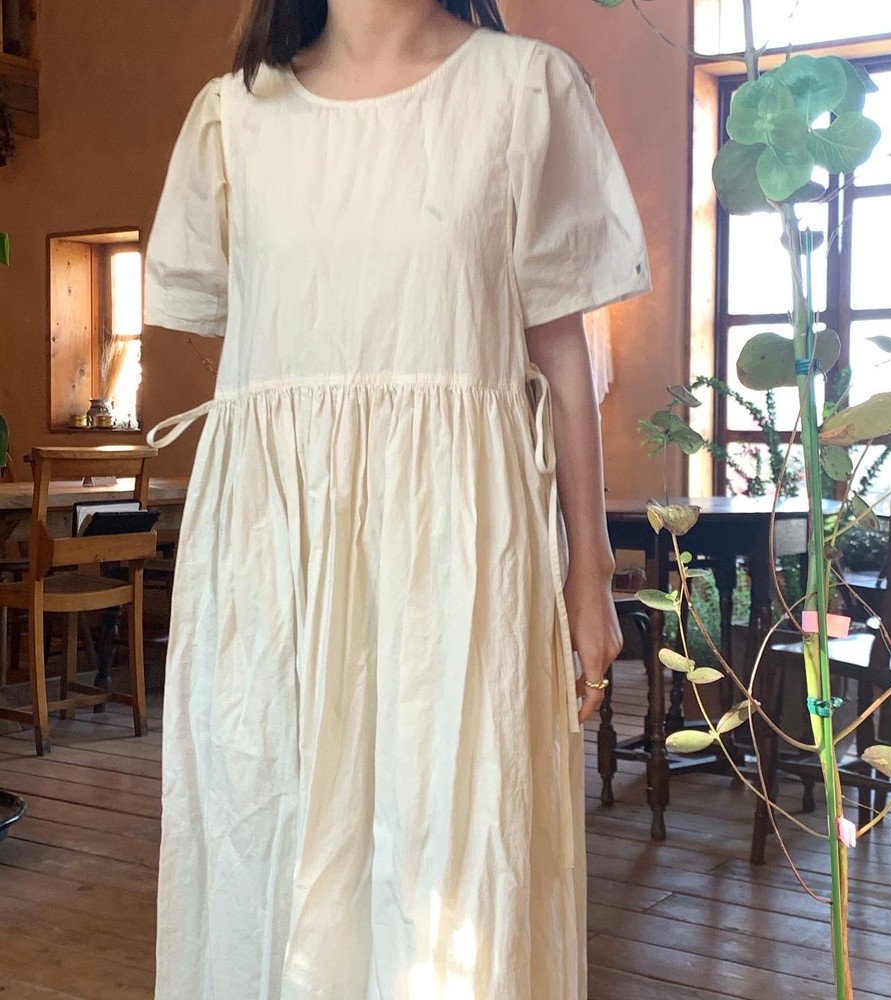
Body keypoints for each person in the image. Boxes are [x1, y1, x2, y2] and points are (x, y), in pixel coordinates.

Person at [143, 0, 650, 996]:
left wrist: (588, 569)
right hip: (278, 562)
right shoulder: (231, 119)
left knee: (454, 843)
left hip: (461, 549)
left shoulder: (523, 91)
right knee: (273, 832)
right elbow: (252, 356)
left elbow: (561, 346)